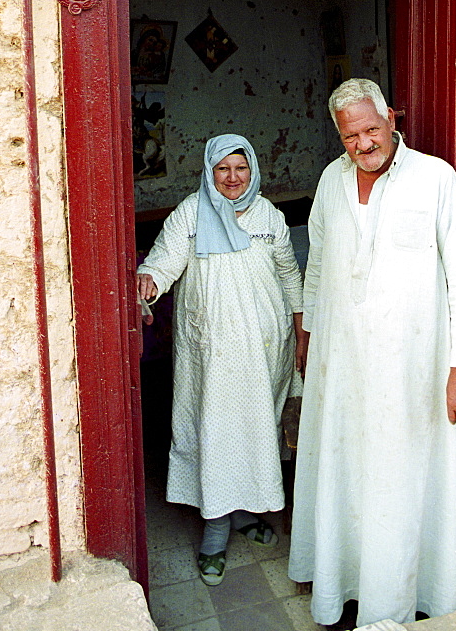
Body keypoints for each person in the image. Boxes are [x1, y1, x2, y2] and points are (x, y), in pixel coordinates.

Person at [288, 79, 456, 626]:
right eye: (350, 135)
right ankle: (345, 587)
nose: (362, 144)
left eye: (370, 129)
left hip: (415, 370)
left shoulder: (435, 178)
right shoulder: (331, 179)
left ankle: (408, 598)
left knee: (403, 480)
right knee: (350, 473)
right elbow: (320, 267)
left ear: (392, 118)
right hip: (345, 365)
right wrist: (309, 340)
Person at [137, 134, 305, 586]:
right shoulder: (192, 212)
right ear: (210, 172)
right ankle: (215, 528)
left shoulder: (268, 215)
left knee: (256, 430)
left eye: (241, 168)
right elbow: (164, 260)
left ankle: (246, 513)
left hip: (267, 348)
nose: (233, 178)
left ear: (253, 170)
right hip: (211, 351)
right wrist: (150, 280)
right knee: (214, 431)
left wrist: (302, 328)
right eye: (223, 169)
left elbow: (289, 274)